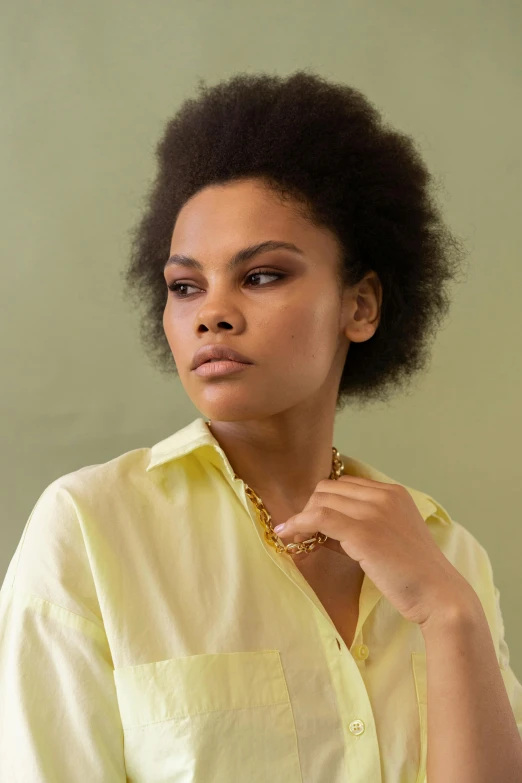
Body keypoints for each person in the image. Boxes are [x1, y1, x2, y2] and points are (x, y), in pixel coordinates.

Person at [1, 69, 521, 783]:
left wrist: (450, 613)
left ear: (361, 305)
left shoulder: (449, 554)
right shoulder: (89, 531)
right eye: (185, 285)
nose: (211, 312)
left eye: (262, 275)